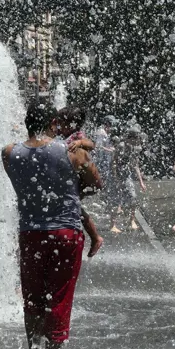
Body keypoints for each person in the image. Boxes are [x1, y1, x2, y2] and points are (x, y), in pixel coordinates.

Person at [2, 102, 102, 349]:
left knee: (32, 298)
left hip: (30, 233)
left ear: (26, 122)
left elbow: (22, 185)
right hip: (65, 233)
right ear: (53, 123)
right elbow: (96, 183)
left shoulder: (10, 153)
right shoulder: (71, 153)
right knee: (59, 297)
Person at [57, 107, 104, 257]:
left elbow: (91, 144)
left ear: (71, 124)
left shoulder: (77, 136)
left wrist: (79, 142)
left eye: (61, 122)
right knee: (74, 207)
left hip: (82, 179)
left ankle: (96, 237)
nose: (58, 125)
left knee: (74, 206)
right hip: (73, 178)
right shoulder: (61, 134)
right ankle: (95, 238)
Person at [109, 126, 147, 233]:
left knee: (133, 198)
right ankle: (113, 225)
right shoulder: (121, 146)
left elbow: (135, 165)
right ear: (131, 138)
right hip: (114, 175)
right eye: (137, 138)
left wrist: (141, 182)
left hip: (126, 175)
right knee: (116, 200)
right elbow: (113, 163)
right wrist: (116, 179)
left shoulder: (134, 148)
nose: (139, 141)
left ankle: (132, 221)